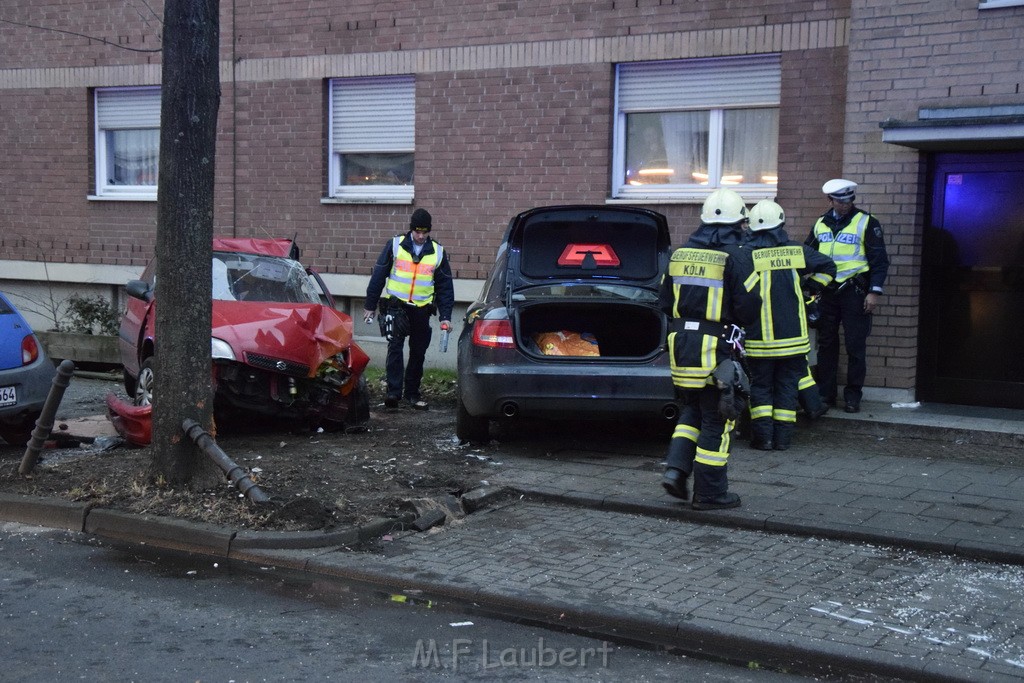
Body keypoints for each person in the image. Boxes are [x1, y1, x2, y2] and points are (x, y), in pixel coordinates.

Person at [659, 188, 762, 510]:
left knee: (692, 411)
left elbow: (664, 302)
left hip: (682, 347)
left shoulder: (679, 254)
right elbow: (748, 309)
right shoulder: (737, 255)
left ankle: (675, 471)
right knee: (719, 421)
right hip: (715, 350)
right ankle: (710, 493)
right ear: (739, 223)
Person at [743, 200, 836, 450]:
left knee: (761, 388)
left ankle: (763, 439)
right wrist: (812, 288)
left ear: (751, 227)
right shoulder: (796, 251)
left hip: (758, 341)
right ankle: (783, 440)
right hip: (794, 340)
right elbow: (829, 266)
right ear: (781, 223)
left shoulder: (744, 254)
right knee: (787, 388)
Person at [805, 179, 890, 413]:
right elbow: (807, 254)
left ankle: (853, 397)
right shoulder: (820, 224)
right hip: (827, 292)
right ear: (830, 200)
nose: (845, 205)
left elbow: (879, 261)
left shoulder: (866, 222)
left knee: (855, 346)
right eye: (840, 201)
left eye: (848, 201)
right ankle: (825, 395)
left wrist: (874, 292)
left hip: (855, 292)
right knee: (827, 346)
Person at [363, 208, 454, 410]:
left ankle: (412, 393)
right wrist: (370, 305)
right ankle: (393, 393)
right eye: (417, 232)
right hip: (396, 306)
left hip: (422, 309)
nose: (421, 236)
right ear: (411, 229)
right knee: (395, 347)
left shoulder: (438, 252)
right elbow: (379, 275)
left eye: (424, 232)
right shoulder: (395, 245)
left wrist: (445, 316)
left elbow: (445, 287)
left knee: (418, 351)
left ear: (429, 231)